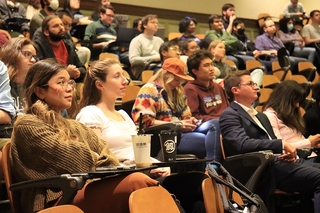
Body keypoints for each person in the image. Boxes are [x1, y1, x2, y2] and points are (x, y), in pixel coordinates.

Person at [10, 59, 159, 213]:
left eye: (70, 83)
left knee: (155, 183)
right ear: (39, 91)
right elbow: (77, 160)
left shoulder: (74, 125)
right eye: (61, 83)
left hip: (81, 190)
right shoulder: (27, 125)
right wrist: (94, 156)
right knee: (136, 182)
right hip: (55, 201)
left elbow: (109, 157)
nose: (69, 89)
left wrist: (95, 157)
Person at [220, 70, 320, 212]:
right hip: (262, 169)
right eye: (250, 84)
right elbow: (241, 144)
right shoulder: (229, 115)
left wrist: (286, 151)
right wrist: (281, 144)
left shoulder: (260, 115)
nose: (256, 87)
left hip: (278, 162)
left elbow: (270, 142)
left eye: (255, 83)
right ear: (235, 90)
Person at [76, 58, 170, 177]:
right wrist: (141, 170)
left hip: (137, 172)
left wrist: (159, 166)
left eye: (123, 75)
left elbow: (137, 155)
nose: (125, 81)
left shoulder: (123, 114)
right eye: (117, 76)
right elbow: (95, 159)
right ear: (100, 85)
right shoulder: (90, 113)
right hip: (116, 176)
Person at [132, 57, 216, 159]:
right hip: (161, 137)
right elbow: (145, 123)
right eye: (177, 79)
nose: (179, 82)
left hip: (179, 133)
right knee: (207, 141)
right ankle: (212, 165)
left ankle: (213, 166)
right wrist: (177, 125)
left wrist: (190, 121)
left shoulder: (178, 91)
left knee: (215, 124)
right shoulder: (150, 89)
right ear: (167, 76)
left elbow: (186, 115)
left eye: (181, 79)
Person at [184, 50, 229, 161]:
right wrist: (220, 120)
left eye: (212, 64)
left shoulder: (218, 87)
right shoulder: (190, 89)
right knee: (216, 123)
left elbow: (227, 109)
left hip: (223, 124)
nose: (211, 68)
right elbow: (194, 116)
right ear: (195, 71)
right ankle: (212, 166)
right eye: (206, 65)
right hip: (203, 126)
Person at [263, 80, 320, 157]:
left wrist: (314, 143)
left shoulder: (289, 114)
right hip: (295, 159)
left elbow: (299, 140)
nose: (297, 106)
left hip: (308, 155)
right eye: (295, 101)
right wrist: (309, 142)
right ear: (285, 100)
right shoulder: (269, 116)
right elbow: (279, 147)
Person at [33, 15, 86, 85]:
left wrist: (77, 72)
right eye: (55, 26)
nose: (61, 28)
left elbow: (82, 68)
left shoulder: (68, 46)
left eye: (61, 25)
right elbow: (41, 73)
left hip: (69, 84)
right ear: (46, 32)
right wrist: (66, 72)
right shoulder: (38, 47)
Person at [0, 37, 37, 115]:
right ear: (12, 55)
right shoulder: (2, 83)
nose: (33, 60)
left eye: (34, 57)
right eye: (27, 54)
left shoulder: (36, 86)